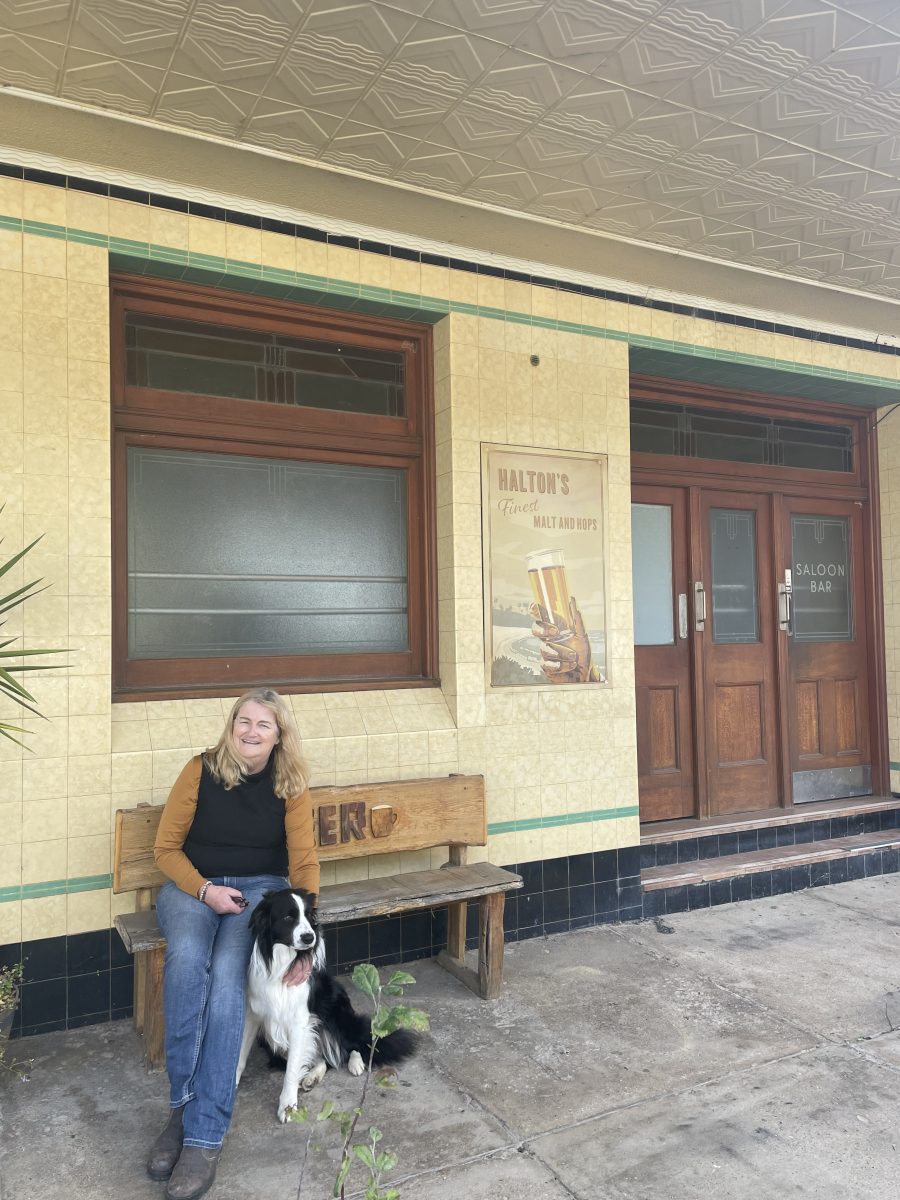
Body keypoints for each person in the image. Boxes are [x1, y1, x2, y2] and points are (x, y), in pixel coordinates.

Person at [147, 688, 319, 1200]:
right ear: (231, 726)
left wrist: (306, 948)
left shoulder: (290, 783)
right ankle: (182, 1107)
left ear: (279, 734)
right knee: (186, 962)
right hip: (193, 887)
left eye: (263, 724)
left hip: (260, 893)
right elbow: (165, 848)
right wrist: (205, 889)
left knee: (227, 980)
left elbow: (304, 862)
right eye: (243, 721)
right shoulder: (199, 770)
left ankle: (204, 1135)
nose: (250, 731)